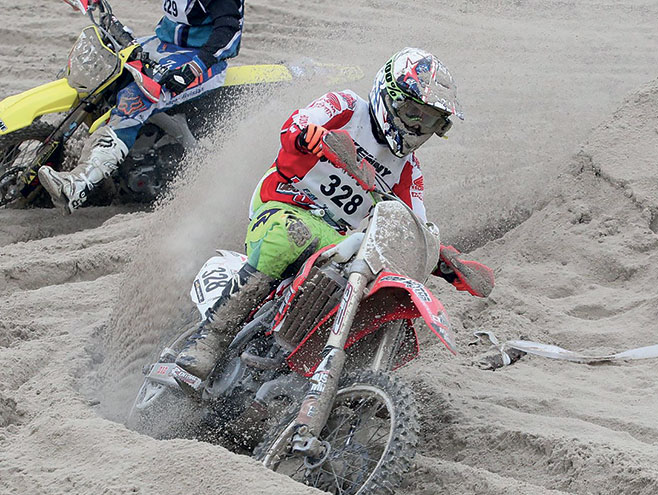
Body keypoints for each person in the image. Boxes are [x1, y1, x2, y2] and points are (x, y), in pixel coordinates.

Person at [176, 47, 494, 380]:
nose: (418, 127)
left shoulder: (408, 171)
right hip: (283, 207)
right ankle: (209, 339)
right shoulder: (344, 107)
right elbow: (295, 126)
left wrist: (442, 257)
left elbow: (411, 225)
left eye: (429, 121)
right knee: (290, 236)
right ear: (390, 96)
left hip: (337, 241)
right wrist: (310, 136)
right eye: (414, 113)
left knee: (367, 283)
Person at [38, 0, 245, 212]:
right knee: (107, 67)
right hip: (163, 43)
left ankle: (78, 185)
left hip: (200, 58)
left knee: (134, 100)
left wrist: (193, 69)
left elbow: (229, 31)